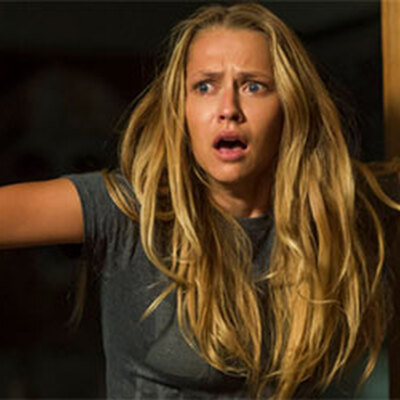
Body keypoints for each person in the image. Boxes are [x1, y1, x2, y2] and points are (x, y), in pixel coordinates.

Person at [1, 2, 399, 399]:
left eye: (253, 86)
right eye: (205, 86)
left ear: (290, 105)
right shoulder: (128, 210)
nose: (228, 110)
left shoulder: (337, 205)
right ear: (182, 108)